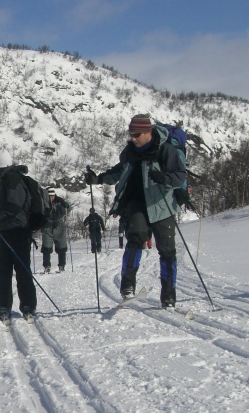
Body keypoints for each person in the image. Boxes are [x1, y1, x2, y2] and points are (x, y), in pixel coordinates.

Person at [86, 114, 186, 307]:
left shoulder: (165, 150)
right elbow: (118, 171)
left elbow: (179, 175)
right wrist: (97, 179)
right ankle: (127, 286)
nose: (133, 138)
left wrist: (164, 178)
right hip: (136, 203)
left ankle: (169, 295)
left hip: (161, 205)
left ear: (148, 132)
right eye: (130, 134)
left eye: (136, 134)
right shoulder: (130, 151)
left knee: (167, 251)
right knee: (136, 239)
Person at [0, 149, 38, 324]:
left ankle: (27, 306)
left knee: (19, 270)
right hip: (9, 231)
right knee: (4, 270)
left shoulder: (12, 179)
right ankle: (5, 306)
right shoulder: (8, 179)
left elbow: (14, 207)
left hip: (17, 231)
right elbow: (7, 205)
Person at [40, 187, 69, 273]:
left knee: (61, 246)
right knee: (46, 247)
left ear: (54, 195)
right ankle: (46, 267)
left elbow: (67, 208)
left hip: (59, 225)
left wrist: (66, 205)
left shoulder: (60, 201)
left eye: (52, 196)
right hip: (47, 226)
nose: (51, 198)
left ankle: (62, 266)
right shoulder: (43, 202)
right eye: (49, 196)